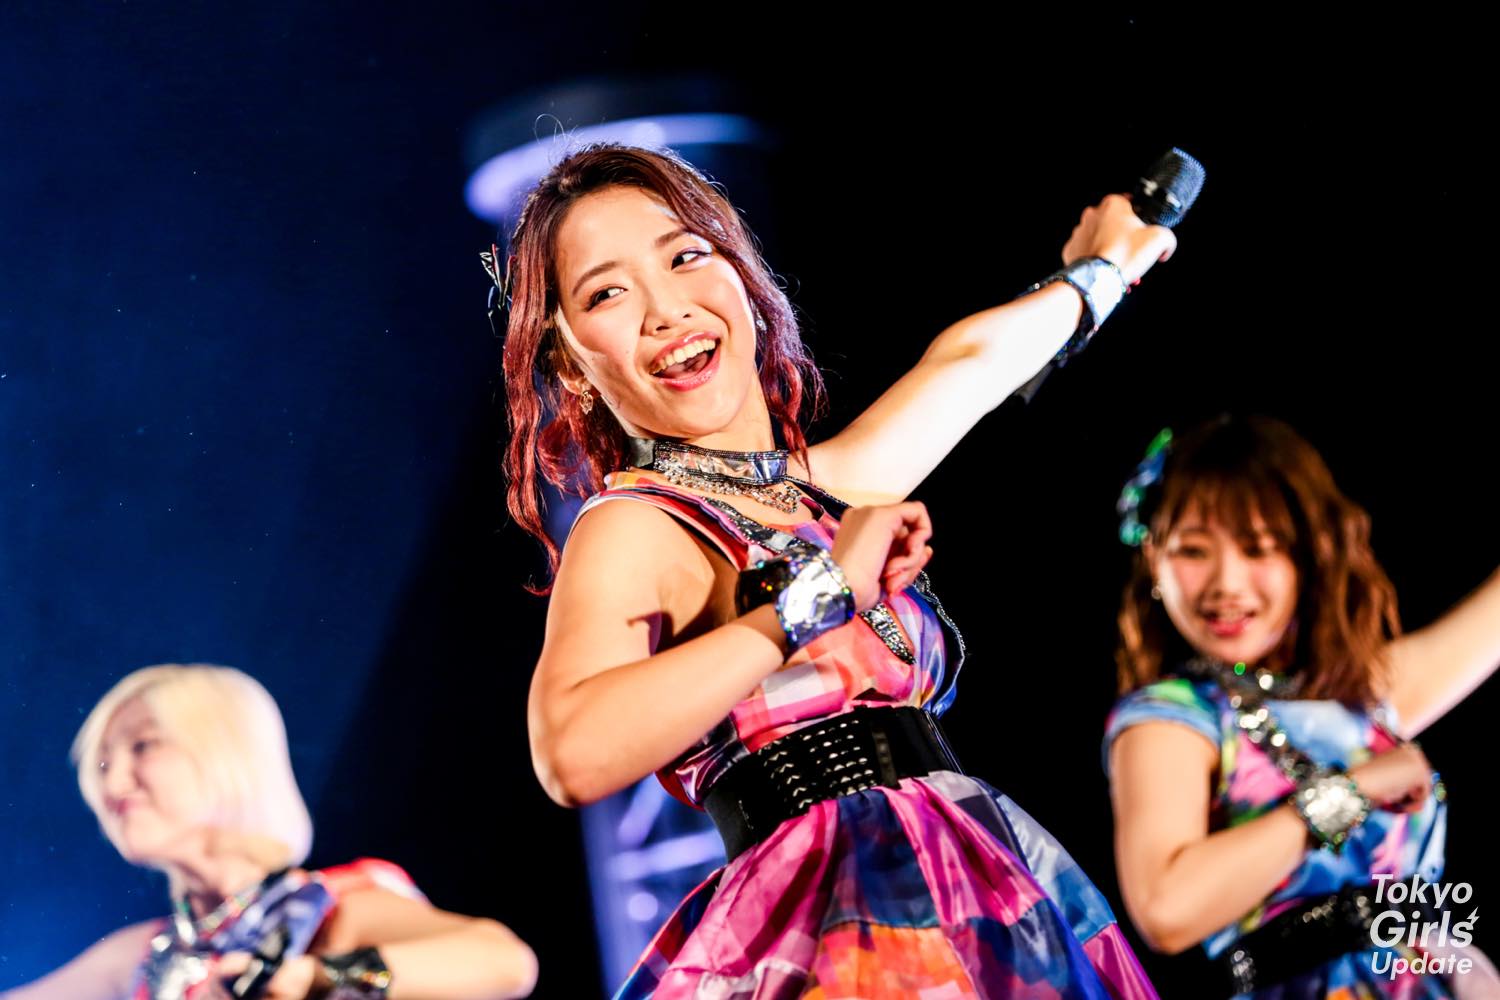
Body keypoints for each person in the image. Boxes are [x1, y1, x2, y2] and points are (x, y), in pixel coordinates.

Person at [498, 142, 1176, 998]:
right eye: (607, 293)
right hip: (830, 920)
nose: (666, 310)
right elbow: (572, 750)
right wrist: (816, 599)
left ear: (741, 274)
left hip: (974, 880)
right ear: (570, 363)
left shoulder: (821, 489)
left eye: (685, 256)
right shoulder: (636, 524)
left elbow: (970, 363)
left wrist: (1102, 271)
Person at [1104, 415, 1500, 998]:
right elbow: (1165, 909)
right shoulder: (1173, 717)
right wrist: (1349, 793)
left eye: (1258, 549)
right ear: (1154, 559)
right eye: (1192, 550)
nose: (1225, 583)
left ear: (1308, 557)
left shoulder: (1359, 696)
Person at [0, 663, 538, 1000]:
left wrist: (317, 977)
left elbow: (505, 963)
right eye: (101, 764)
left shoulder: (332, 908)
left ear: (227, 754)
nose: (113, 783)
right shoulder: (142, 954)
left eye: (143, 745)